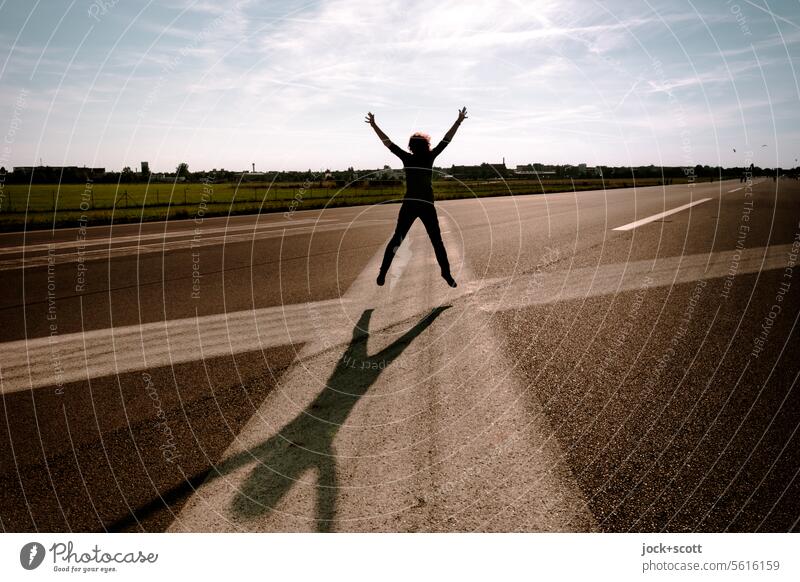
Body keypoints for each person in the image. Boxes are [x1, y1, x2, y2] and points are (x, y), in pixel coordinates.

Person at [365, 107, 468, 288]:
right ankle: (446, 273)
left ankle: (382, 272)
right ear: (426, 145)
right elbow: (446, 140)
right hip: (427, 204)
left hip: (410, 204)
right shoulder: (429, 157)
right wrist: (458, 121)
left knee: (397, 238)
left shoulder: (407, 158)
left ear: (411, 146)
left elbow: (387, 142)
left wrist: (374, 125)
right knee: (437, 241)